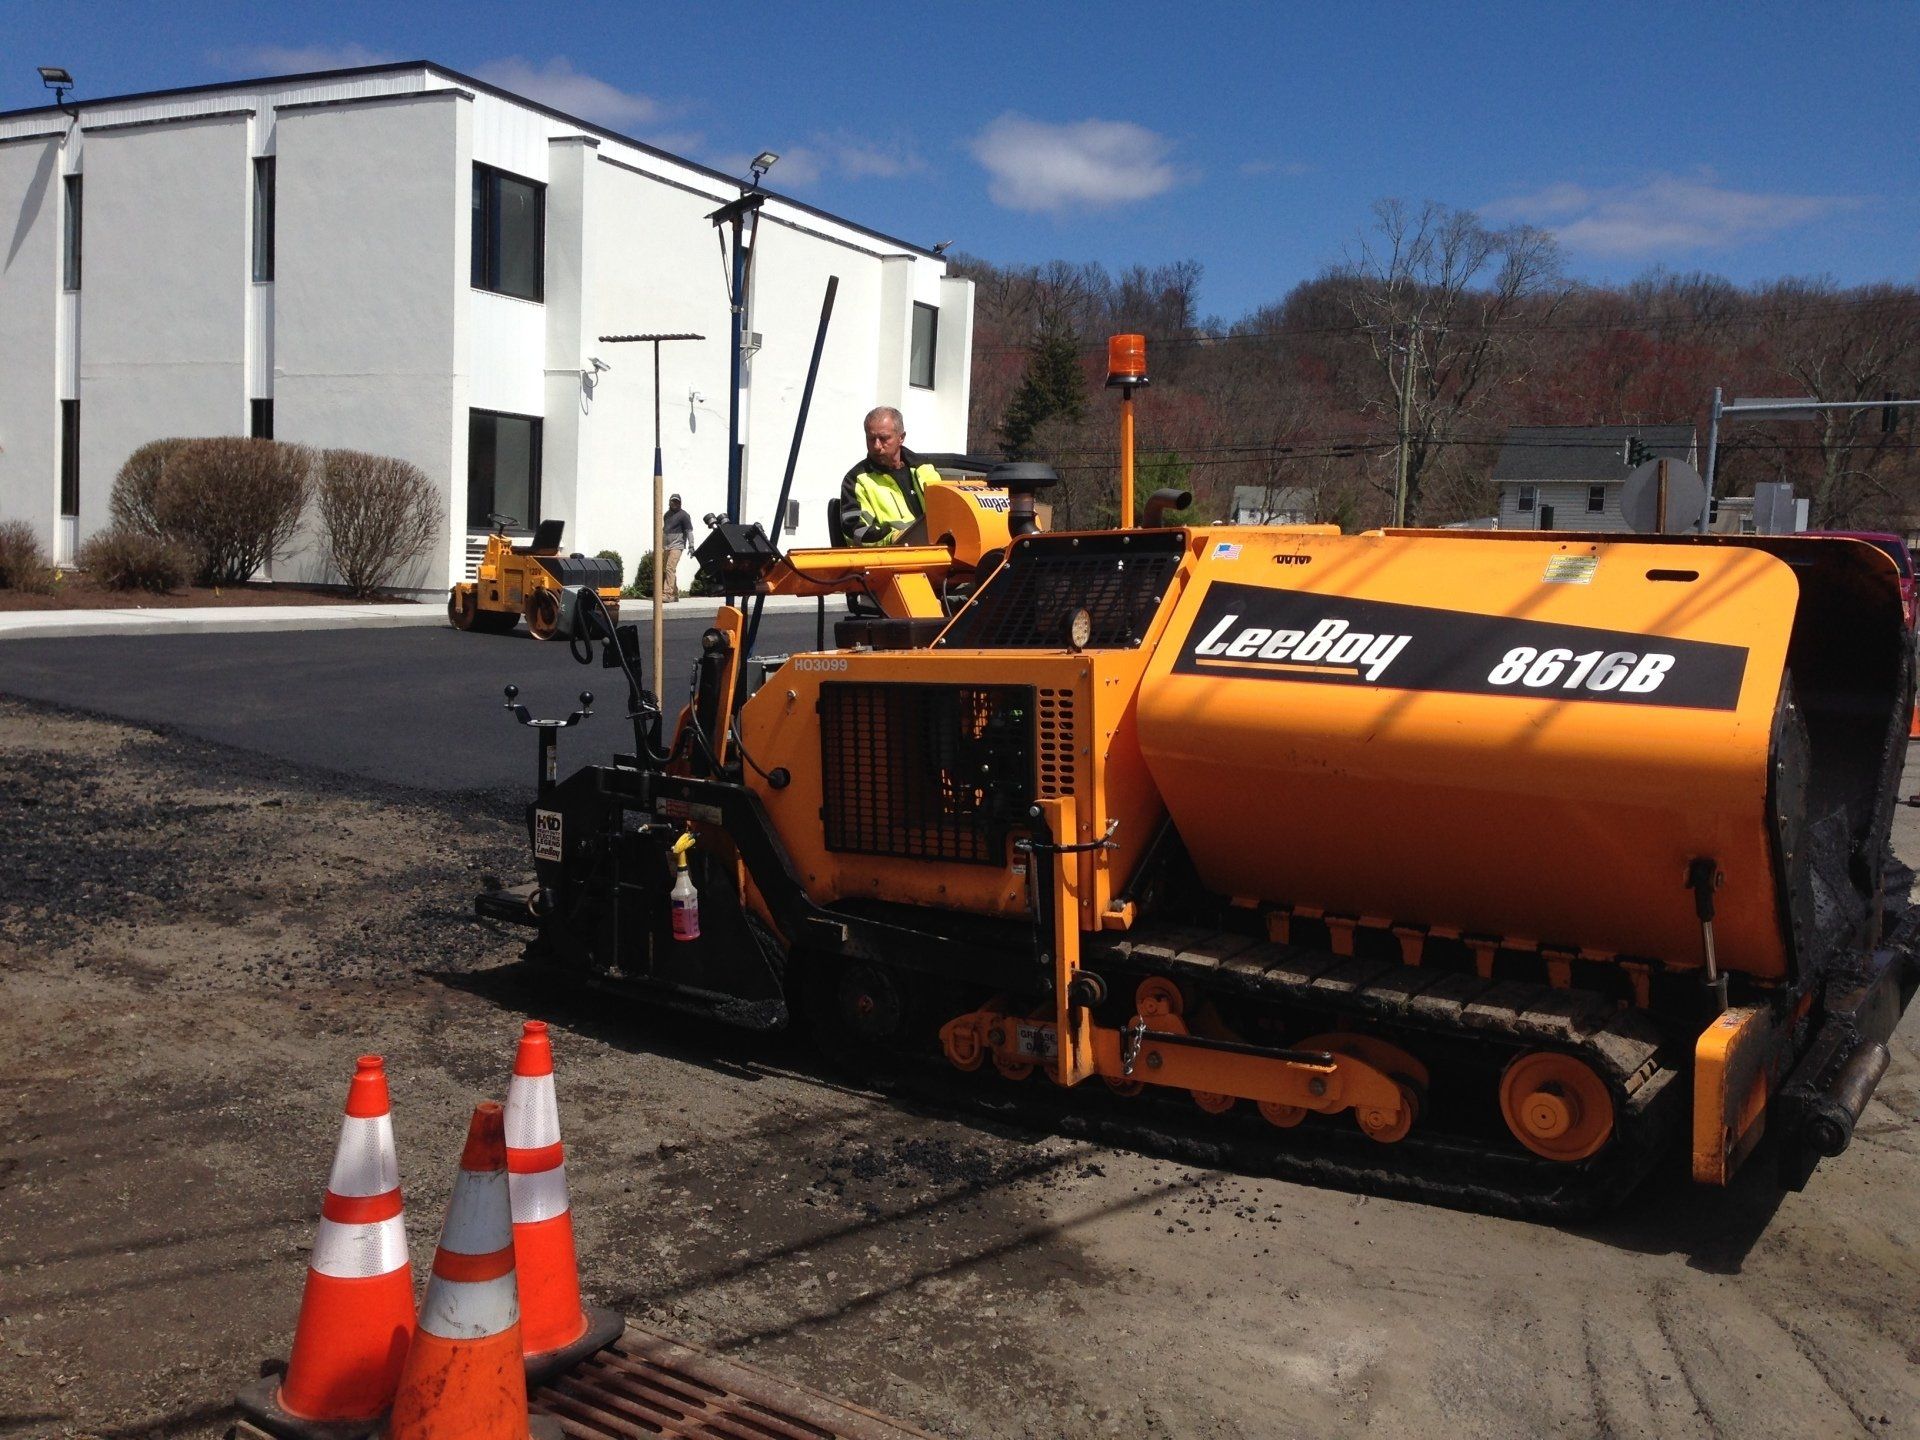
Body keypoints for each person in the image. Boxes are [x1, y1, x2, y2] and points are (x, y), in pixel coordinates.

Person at [839, 407, 942, 545]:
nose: (877, 446)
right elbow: (855, 532)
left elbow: (948, 515)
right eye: (871, 439)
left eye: (883, 438)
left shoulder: (925, 469)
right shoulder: (856, 480)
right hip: (890, 560)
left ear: (901, 438)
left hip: (936, 555)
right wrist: (892, 538)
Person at [661, 493, 694, 600]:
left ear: (680, 503)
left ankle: (667, 594)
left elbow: (689, 531)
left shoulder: (684, 515)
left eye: (677, 501)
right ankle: (675, 594)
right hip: (666, 546)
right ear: (669, 502)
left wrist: (691, 546)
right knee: (667, 570)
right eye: (672, 501)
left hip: (677, 546)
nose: (674, 503)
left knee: (670, 568)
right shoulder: (666, 515)